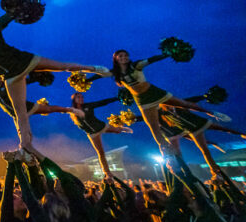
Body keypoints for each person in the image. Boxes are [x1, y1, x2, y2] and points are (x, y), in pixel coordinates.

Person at [0, 3, 107, 149]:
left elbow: (7, 17)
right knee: (20, 112)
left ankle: (93, 68)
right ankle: (26, 145)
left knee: (62, 66)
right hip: (9, 76)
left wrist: (18, 8)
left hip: (23, 60)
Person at [94, 49, 225, 155]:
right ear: (116, 59)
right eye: (120, 56)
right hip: (143, 101)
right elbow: (98, 74)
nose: (124, 57)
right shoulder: (114, 73)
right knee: (153, 127)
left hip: (155, 93)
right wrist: (87, 81)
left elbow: (151, 60)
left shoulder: (136, 65)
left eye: (126, 55)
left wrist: (167, 54)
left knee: (184, 104)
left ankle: (212, 113)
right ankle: (166, 151)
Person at [69, 93, 131, 177]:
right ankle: (107, 172)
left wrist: (116, 98)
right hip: (92, 133)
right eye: (78, 97)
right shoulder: (73, 111)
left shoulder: (88, 105)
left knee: (117, 130)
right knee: (101, 152)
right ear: (74, 99)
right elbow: (80, 124)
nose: (81, 98)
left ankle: (123, 129)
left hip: (101, 126)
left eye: (82, 97)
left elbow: (102, 102)